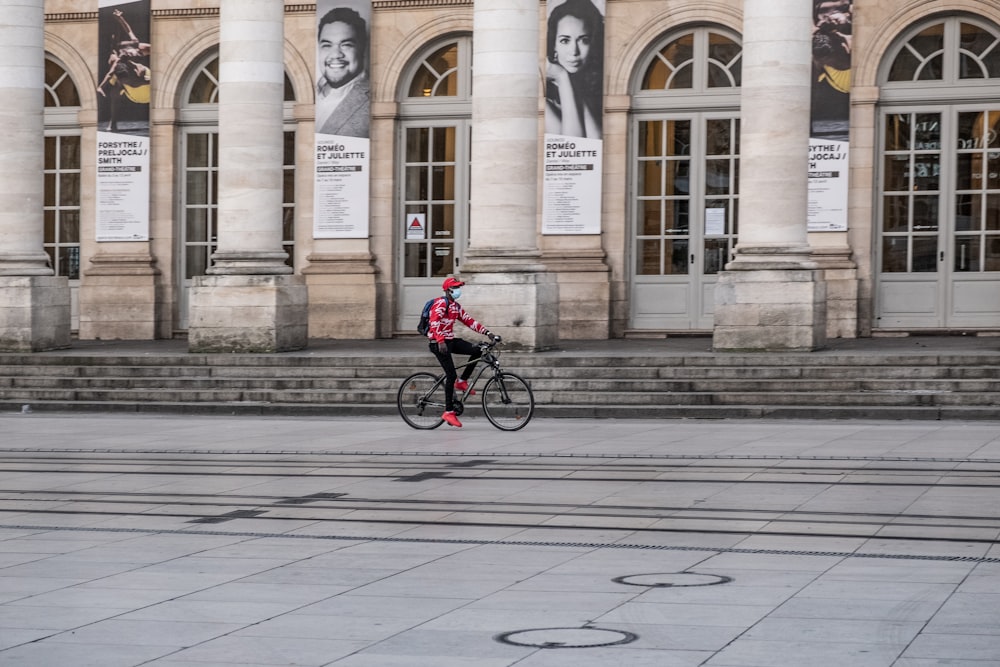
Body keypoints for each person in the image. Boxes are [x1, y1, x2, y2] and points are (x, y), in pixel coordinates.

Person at [427, 277, 500, 428]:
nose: (458, 290)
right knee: (451, 374)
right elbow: (434, 322)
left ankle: (462, 382)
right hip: (438, 344)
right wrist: (440, 341)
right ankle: (448, 412)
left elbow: (469, 321)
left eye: (459, 287)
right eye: (455, 287)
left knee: (480, 349)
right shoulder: (441, 303)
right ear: (448, 290)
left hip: (450, 341)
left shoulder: (455, 306)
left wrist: (488, 333)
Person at [545, 0, 603, 139]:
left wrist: (569, 83)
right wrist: (562, 77)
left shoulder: (596, 87)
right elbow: (572, 144)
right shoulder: (543, 95)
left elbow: (595, 140)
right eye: (565, 41)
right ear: (553, 45)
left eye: (584, 40)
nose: (574, 51)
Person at [316, 7, 370, 138]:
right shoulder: (312, 94)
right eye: (327, 45)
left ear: (362, 49)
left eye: (346, 44)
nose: (335, 54)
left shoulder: (370, 97)